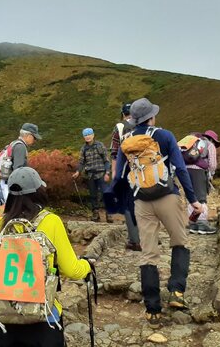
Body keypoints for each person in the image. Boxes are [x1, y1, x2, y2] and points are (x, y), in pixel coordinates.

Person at [0, 167, 93, 347]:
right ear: (38, 191)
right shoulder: (51, 221)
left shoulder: (0, 225)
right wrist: (87, 266)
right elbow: (72, 270)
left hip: (2, 318)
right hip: (43, 318)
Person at [114, 98, 202, 322]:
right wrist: (193, 200)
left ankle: (152, 310)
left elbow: (119, 176)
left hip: (141, 202)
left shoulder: (127, 140)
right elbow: (181, 169)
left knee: (148, 253)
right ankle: (176, 292)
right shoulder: (165, 136)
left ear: (134, 119)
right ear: (152, 117)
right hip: (167, 198)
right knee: (180, 241)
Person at [109, 102, 141, 250]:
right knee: (146, 202)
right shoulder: (144, 122)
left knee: (129, 204)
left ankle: (135, 240)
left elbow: (114, 152)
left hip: (127, 171)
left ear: (123, 114)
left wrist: (115, 174)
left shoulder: (120, 127)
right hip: (146, 170)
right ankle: (150, 236)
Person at [73, 128, 111, 222]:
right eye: (85, 135)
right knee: (92, 195)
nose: (88, 136)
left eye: (89, 134)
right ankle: (95, 214)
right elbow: (81, 162)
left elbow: (106, 160)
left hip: (101, 173)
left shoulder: (100, 145)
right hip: (90, 175)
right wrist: (78, 172)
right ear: (83, 137)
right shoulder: (83, 149)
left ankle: (109, 214)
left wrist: (107, 173)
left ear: (93, 135)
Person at [186, 130, 220, 235]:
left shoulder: (193, 143)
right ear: (213, 140)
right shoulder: (210, 145)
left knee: (191, 197)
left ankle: (193, 223)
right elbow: (213, 164)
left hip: (186, 170)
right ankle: (202, 224)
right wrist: (211, 174)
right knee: (201, 197)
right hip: (199, 171)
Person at [0, 123, 42, 198]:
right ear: (29, 136)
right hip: (12, 188)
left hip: (6, 183)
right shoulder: (20, 147)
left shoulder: (14, 143)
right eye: (34, 137)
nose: (35, 140)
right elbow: (18, 171)